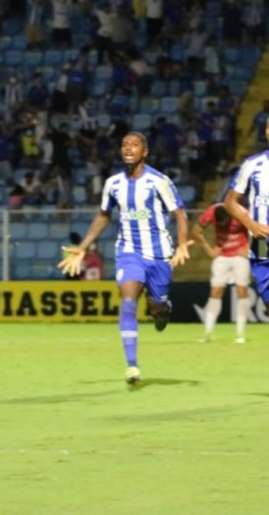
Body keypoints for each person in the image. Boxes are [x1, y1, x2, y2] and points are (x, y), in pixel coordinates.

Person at [58, 132, 192, 384]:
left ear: (145, 152)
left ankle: (163, 310)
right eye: (124, 145)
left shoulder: (158, 181)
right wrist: (84, 247)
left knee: (157, 305)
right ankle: (132, 366)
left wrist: (183, 245)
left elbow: (180, 214)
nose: (128, 148)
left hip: (159, 255)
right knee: (128, 301)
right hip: (129, 252)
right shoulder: (113, 184)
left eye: (134, 145)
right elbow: (104, 215)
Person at [224, 123, 269, 314]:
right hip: (261, 242)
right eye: (268, 127)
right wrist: (251, 224)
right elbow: (230, 202)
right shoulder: (252, 164)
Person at [192, 203, 251, 343]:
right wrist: (208, 250)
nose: (223, 226)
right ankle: (208, 333)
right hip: (222, 256)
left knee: (242, 291)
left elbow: (259, 229)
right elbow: (195, 230)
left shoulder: (242, 213)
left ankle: (240, 334)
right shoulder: (211, 212)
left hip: (239, 256)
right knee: (215, 292)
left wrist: (250, 249)